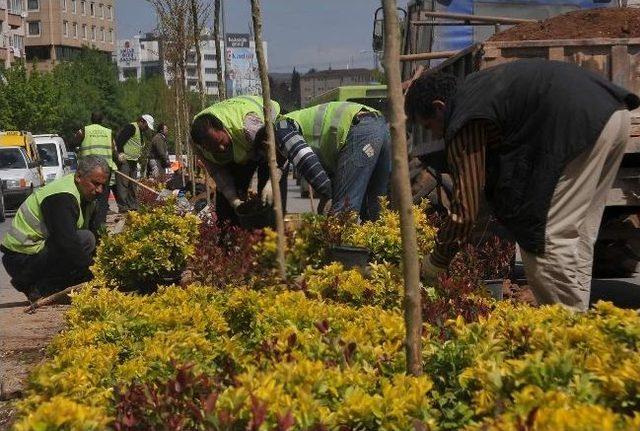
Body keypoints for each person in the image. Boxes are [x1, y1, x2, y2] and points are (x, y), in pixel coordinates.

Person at [404, 59, 640, 311]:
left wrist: (435, 262)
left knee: (545, 240)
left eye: (429, 126)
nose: (434, 135)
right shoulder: (477, 92)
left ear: (439, 107)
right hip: (615, 115)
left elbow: (465, 210)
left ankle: (565, 336)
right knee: (578, 234)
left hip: (579, 125)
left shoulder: (464, 116)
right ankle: (578, 321)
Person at [1, 156, 110, 302]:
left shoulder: (85, 197)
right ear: (79, 177)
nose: (99, 190)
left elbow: (96, 235)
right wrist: (95, 273)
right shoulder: (62, 197)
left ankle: (55, 284)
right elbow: (66, 243)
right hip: (21, 260)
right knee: (84, 239)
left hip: (37, 254)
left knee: (89, 240)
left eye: (103, 185)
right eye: (95, 184)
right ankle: (37, 286)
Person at [274, 101, 391, 221]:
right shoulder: (304, 125)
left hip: (359, 129)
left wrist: (329, 196)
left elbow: (306, 160)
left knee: (343, 212)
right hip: (379, 124)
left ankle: (342, 238)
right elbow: (337, 176)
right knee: (376, 209)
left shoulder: (281, 126)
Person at [190, 95, 280, 226]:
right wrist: (234, 200)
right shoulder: (196, 141)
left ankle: (269, 235)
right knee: (226, 207)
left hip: (268, 132)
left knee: (268, 201)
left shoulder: (249, 127)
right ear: (203, 147)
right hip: (242, 147)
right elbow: (217, 172)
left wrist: (272, 182)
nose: (221, 148)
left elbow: (279, 156)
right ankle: (233, 237)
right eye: (213, 148)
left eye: (221, 141)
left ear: (223, 128)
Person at [74, 111, 117, 227]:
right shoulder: (109, 132)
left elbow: (74, 142)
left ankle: (86, 224)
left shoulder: (84, 130)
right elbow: (114, 149)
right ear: (102, 120)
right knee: (102, 200)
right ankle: (100, 226)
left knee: (86, 198)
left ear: (91, 119)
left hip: (89, 171)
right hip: (105, 172)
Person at [114, 114, 154, 212]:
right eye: (146, 126)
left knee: (133, 184)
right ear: (142, 121)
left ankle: (132, 205)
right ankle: (123, 207)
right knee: (123, 184)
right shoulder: (131, 127)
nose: (146, 129)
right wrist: (120, 153)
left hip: (133, 162)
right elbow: (119, 140)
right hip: (125, 161)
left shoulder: (140, 132)